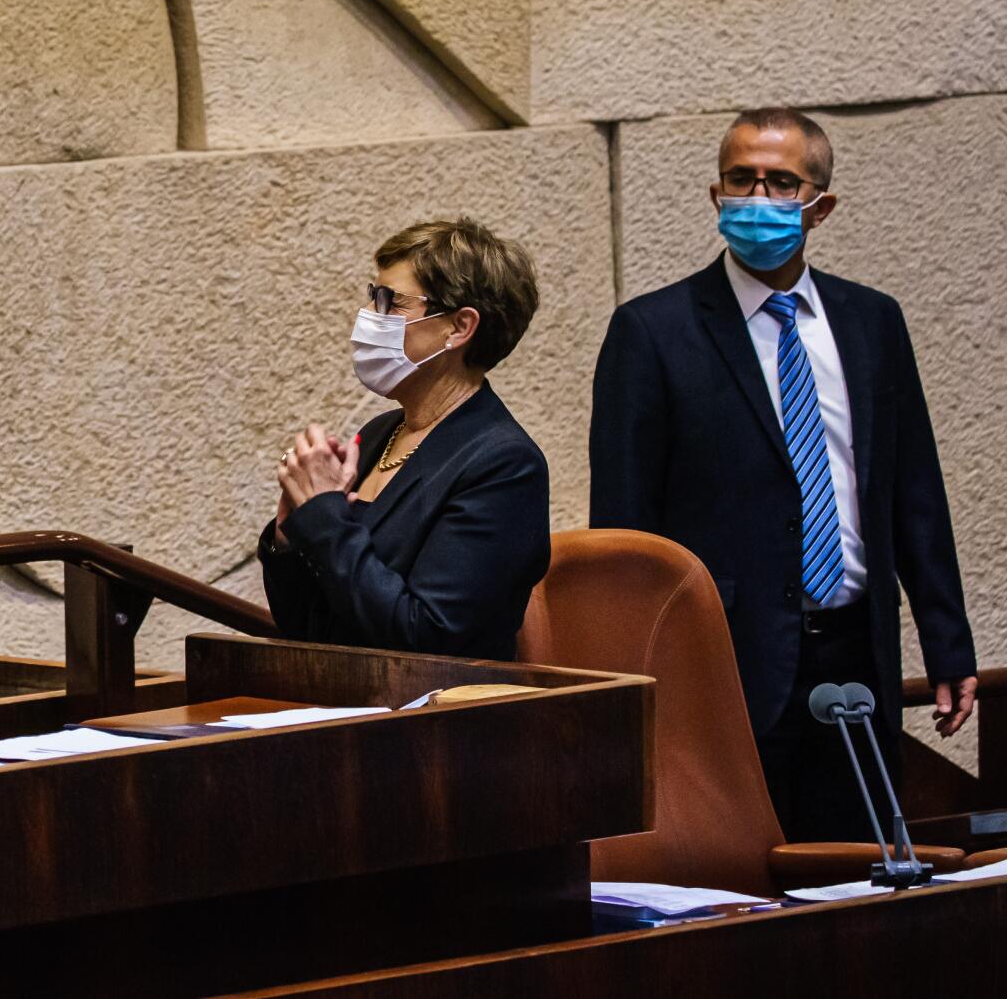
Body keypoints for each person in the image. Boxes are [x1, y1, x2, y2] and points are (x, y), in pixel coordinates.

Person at [589, 108, 976, 841]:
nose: (757, 197)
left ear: (819, 206)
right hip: (723, 665)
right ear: (715, 195)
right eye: (741, 179)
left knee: (862, 871)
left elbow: (914, 493)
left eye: (780, 182)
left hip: (857, 649)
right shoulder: (652, 332)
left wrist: (948, 644)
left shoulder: (872, 322)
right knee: (744, 887)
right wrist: (635, 680)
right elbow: (625, 529)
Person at [259, 218, 549, 661]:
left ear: (459, 327)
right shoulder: (378, 434)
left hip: (437, 718)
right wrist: (289, 535)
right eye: (373, 296)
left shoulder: (504, 465)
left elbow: (428, 635)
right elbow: (309, 625)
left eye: (390, 302)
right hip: (342, 701)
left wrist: (324, 519)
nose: (370, 317)